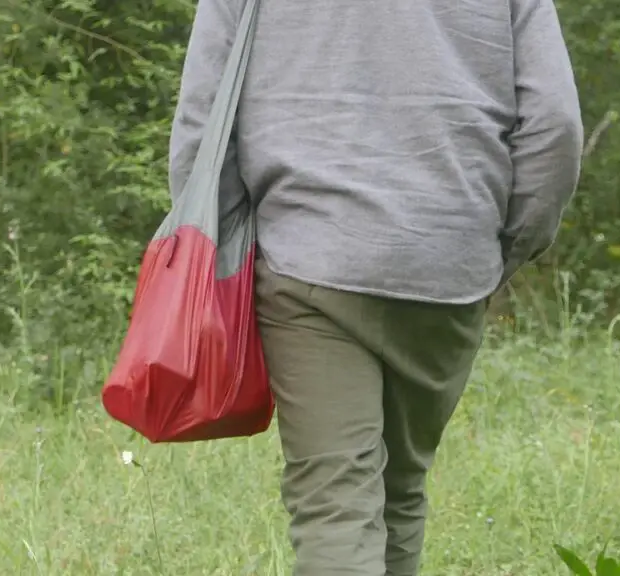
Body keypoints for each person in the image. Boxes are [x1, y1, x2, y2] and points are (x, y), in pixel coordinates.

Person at [168, 0, 583, 573]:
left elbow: (202, 123)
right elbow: (555, 127)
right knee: (400, 494)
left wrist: (225, 255)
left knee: (337, 504)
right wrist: (500, 248)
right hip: (449, 259)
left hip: (306, 255)